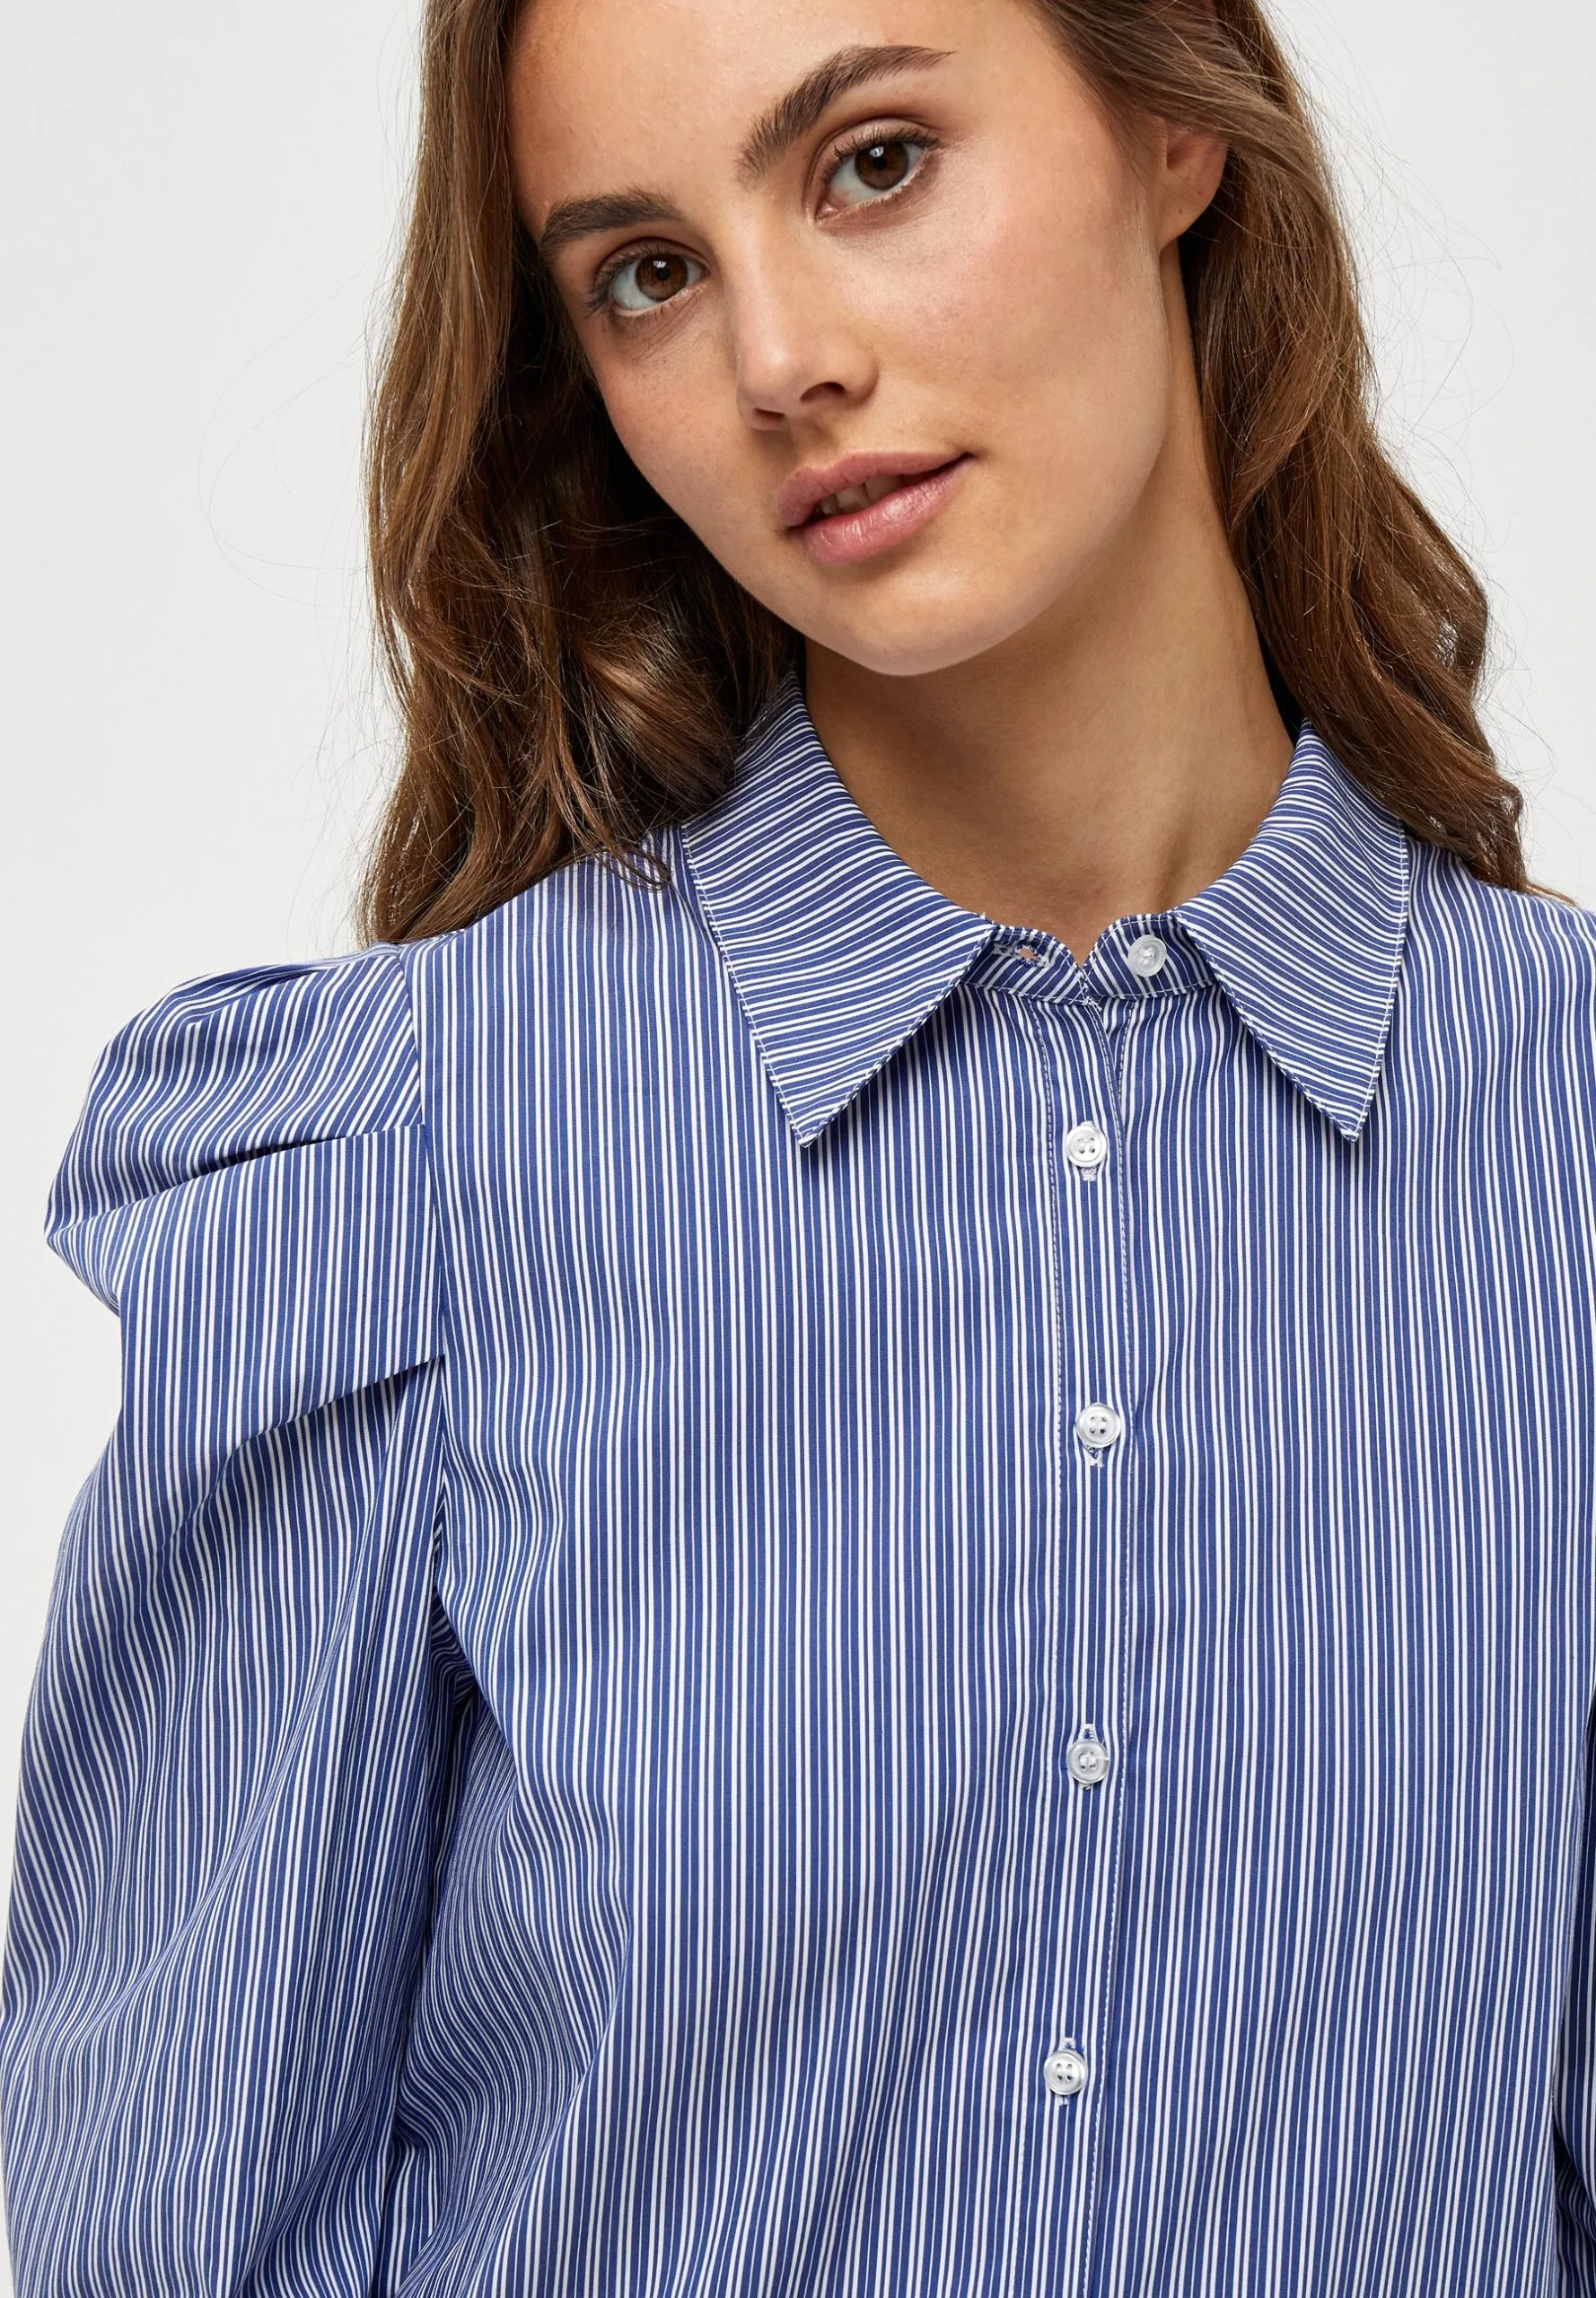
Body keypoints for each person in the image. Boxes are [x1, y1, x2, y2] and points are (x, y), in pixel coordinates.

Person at [2, 0, 1592, 2288]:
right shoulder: (401, 1162)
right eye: (644, 272)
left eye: (872, 163)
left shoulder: (1563, 1137)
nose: (778, 361)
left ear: (1174, 123)